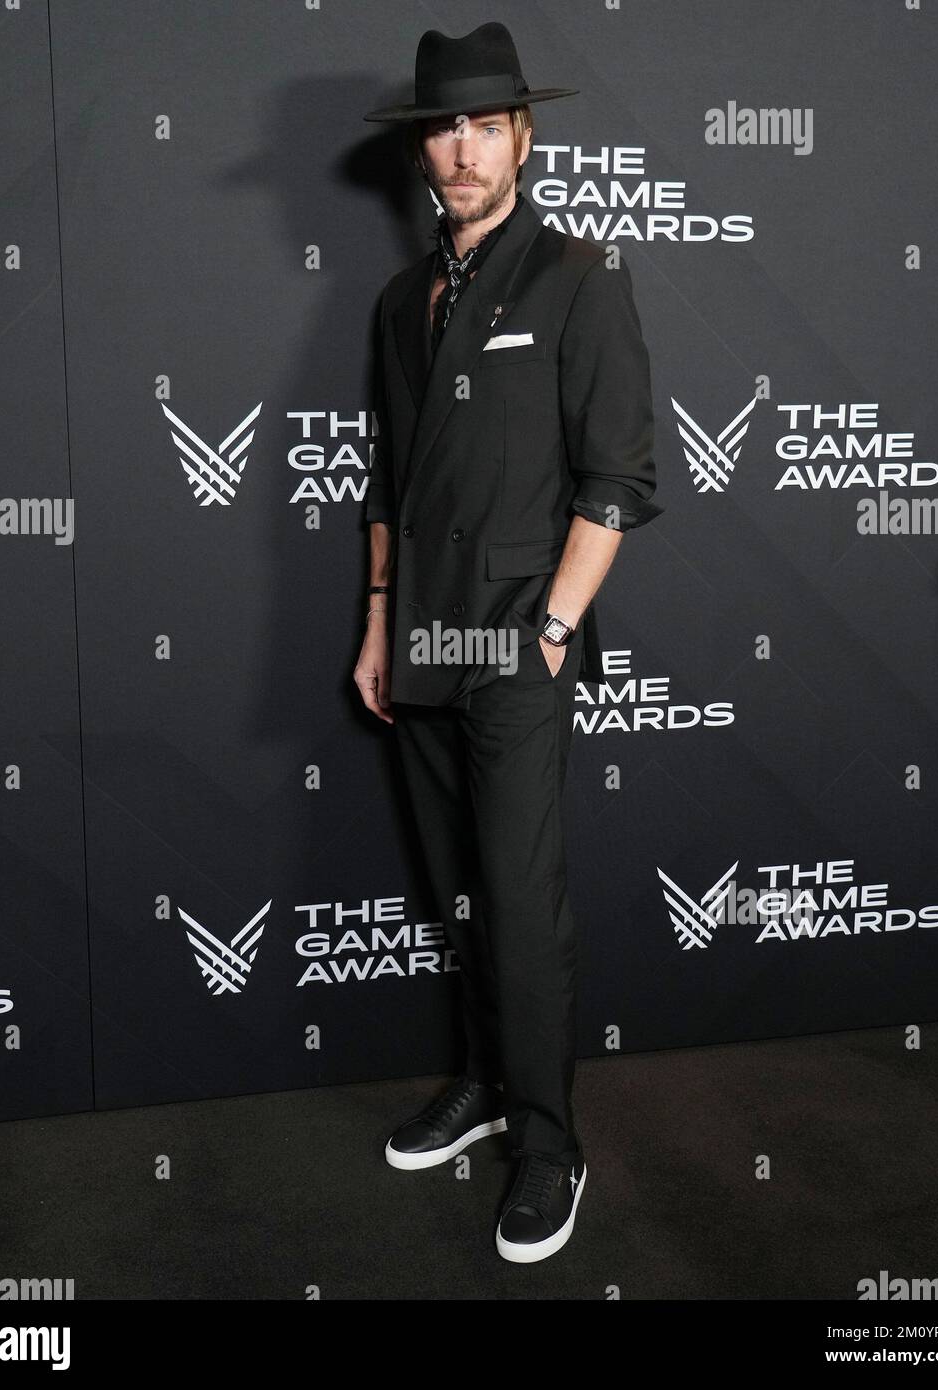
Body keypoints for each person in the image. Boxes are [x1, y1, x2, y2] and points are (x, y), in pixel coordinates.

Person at [354, 22, 663, 1263]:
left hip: (513, 643)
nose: (464, 147)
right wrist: (378, 621)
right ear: (423, 149)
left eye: (486, 124)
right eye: (445, 127)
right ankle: (484, 1086)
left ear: (522, 137)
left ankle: (548, 1139)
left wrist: (549, 628)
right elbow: (385, 473)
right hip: (416, 635)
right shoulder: (399, 299)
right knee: (458, 892)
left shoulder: (580, 277)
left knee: (523, 908)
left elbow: (619, 479)